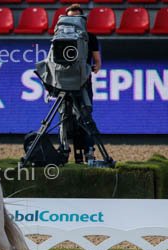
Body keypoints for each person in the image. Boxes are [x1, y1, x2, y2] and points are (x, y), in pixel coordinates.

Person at [65, 3, 102, 162]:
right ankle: (65, 148)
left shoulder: (90, 37)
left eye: (77, 18)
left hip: (83, 82)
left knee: (85, 115)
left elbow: (97, 60)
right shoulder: (61, 37)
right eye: (71, 18)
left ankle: (89, 150)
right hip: (64, 81)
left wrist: (95, 66)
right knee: (65, 115)